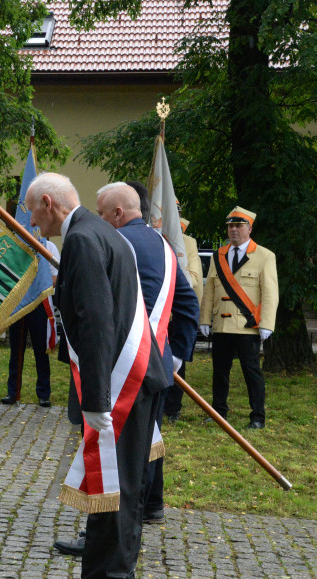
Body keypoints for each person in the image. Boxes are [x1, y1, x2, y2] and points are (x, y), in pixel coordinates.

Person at [27, 172, 166, 579]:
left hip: (121, 385)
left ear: (48, 203)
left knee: (113, 489)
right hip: (136, 379)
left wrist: (97, 400)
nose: (32, 222)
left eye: (32, 210)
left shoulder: (84, 241)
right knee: (124, 490)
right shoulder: (101, 231)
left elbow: (96, 322)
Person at [95, 182, 198, 526]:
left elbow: (101, 307)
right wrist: (176, 356)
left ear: (118, 214)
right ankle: (151, 505)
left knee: (119, 451)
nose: (98, 222)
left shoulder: (117, 244)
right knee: (148, 439)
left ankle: (115, 528)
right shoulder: (163, 244)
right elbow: (187, 303)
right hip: (158, 364)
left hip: (124, 364)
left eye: (101, 214)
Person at [199, 207, 279, 429]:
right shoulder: (219, 256)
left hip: (248, 326)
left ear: (249, 228)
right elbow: (210, 291)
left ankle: (257, 417)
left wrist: (266, 324)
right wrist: (205, 319)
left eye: (238, 225)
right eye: (230, 226)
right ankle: (218, 413)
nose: (233, 230)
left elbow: (270, 293)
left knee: (251, 372)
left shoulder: (264, 256)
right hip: (222, 325)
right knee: (220, 372)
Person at [0, 239, 59, 407]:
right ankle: (12, 392)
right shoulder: (16, 244)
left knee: (41, 350)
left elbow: (55, 276)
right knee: (16, 351)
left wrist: (37, 288)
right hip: (19, 303)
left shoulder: (49, 247)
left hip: (39, 303)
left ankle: (43, 393)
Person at [163, 215, 204, 423]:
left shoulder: (188, 243)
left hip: (176, 313)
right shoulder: (153, 236)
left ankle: (173, 408)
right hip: (155, 310)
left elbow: (195, 278)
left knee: (177, 359)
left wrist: (169, 273)